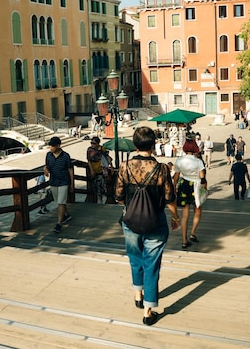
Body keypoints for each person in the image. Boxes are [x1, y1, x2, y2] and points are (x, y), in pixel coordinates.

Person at [115, 127, 178, 326]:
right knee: (152, 264)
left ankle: (137, 294)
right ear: (153, 145)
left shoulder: (125, 166)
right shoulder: (161, 169)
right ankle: (148, 311)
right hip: (155, 221)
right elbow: (169, 198)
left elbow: (118, 197)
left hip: (131, 221)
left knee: (135, 258)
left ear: (135, 145)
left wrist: (132, 204)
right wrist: (175, 217)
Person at [172, 140, 207, 249]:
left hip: (183, 185)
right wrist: (205, 190)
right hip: (195, 185)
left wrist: (174, 187)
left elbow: (176, 177)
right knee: (197, 210)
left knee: (184, 214)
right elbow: (202, 178)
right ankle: (193, 233)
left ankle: (184, 240)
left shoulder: (179, 160)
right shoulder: (198, 162)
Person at [44, 136, 74, 234]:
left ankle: (59, 224)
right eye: (50, 146)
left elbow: (70, 169)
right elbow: (47, 166)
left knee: (61, 202)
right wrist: (45, 169)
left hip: (64, 181)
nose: (50, 148)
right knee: (59, 201)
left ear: (58, 146)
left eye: (52, 146)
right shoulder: (48, 155)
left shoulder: (66, 156)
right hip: (53, 181)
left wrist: (72, 183)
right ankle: (67, 214)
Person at [86, 136, 112, 204]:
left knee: (102, 185)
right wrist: (91, 170)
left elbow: (107, 157)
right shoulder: (89, 150)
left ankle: (103, 199)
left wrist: (111, 167)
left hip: (102, 170)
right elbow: (89, 160)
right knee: (95, 186)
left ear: (98, 143)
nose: (92, 145)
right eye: (91, 143)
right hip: (94, 169)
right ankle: (98, 200)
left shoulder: (102, 149)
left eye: (94, 143)